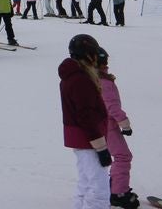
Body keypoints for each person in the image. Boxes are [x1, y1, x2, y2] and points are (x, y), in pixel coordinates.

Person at [60, 33, 111, 209]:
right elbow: (85, 116)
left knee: (86, 181)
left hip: (83, 139)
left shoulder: (75, 76)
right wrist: (101, 148)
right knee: (99, 187)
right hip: (88, 140)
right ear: (88, 55)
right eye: (94, 54)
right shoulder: (80, 80)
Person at [97, 48, 137, 209]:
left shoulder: (92, 79)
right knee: (122, 156)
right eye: (104, 62)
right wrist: (125, 125)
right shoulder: (104, 82)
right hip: (108, 127)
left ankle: (114, 186)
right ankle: (118, 193)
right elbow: (112, 107)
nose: (106, 64)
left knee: (113, 157)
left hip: (99, 126)